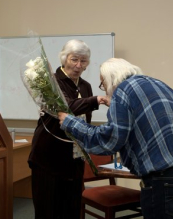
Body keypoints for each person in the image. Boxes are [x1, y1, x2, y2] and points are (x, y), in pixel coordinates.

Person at [58, 58, 173, 219]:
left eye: (103, 84)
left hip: (165, 183)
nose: (105, 90)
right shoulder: (160, 85)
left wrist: (71, 123)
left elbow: (110, 140)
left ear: (111, 79)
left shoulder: (123, 91)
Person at [28, 39, 107, 219]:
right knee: (48, 210)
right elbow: (67, 108)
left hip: (74, 158)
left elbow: (85, 119)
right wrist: (97, 100)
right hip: (48, 157)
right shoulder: (50, 82)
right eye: (74, 59)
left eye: (83, 61)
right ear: (64, 59)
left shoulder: (85, 86)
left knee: (72, 209)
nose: (79, 65)